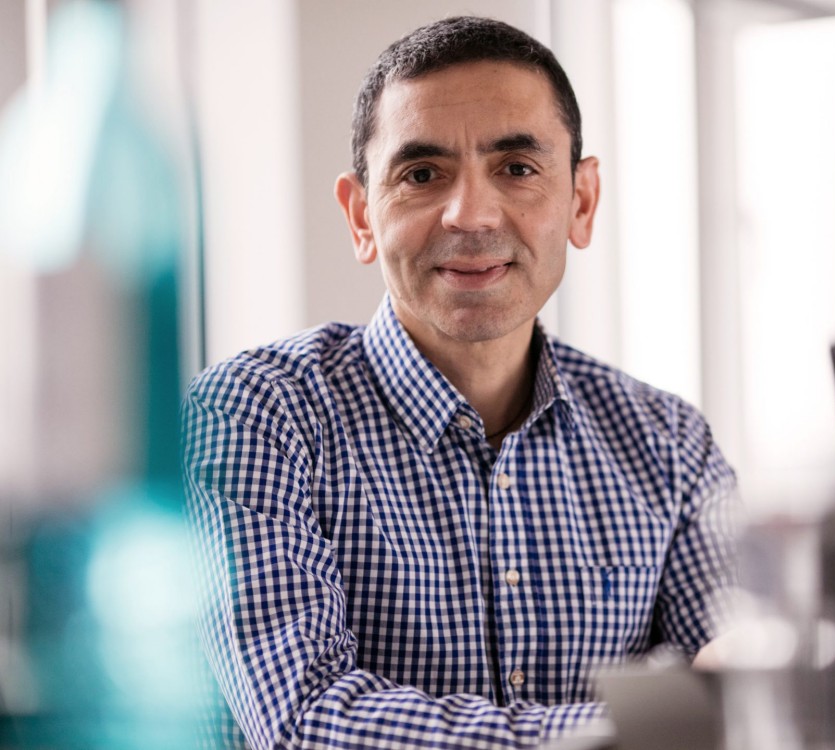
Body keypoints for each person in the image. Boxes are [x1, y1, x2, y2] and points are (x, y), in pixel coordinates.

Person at [182, 15, 736, 750]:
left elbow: (743, 706)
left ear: (580, 201)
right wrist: (638, 728)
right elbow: (307, 723)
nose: (470, 215)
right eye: (421, 174)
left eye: (517, 168)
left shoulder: (670, 446)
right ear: (361, 216)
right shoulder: (254, 416)